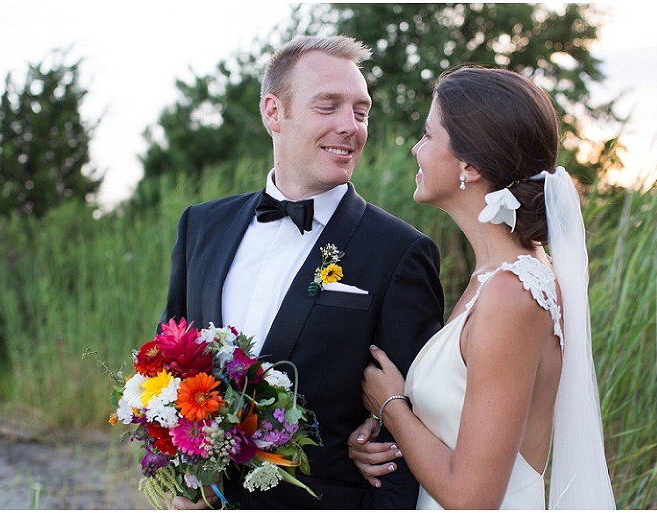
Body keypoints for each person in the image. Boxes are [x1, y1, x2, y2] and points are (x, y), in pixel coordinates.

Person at [161, 35, 445, 509]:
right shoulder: (201, 226)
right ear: (274, 112)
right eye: (328, 106)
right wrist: (181, 484)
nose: (350, 126)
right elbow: (171, 367)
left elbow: (410, 435)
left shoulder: (400, 251)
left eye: (360, 111)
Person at [347, 66, 616, 509]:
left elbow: (473, 498)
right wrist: (387, 433)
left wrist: (392, 405)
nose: (415, 149)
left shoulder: (511, 294)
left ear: (469, 166)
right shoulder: (493, 277)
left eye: (428, 135)